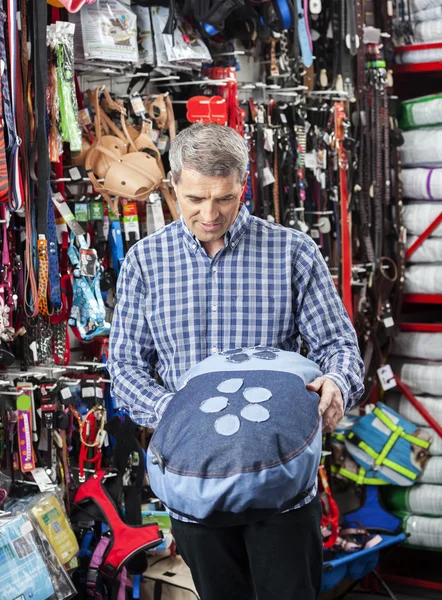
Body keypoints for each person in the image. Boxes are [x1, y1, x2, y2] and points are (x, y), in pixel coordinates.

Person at [107, 122, 365, 600]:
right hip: (192, 484)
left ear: (243, 185)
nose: (209, 213)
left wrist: (336, 383)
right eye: (195, 199)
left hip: (280, 483)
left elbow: (339, 347)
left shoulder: (292, 252)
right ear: (173, 186)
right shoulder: (146, 261)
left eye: (224, 198)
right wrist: (178, 416)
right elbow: (124, 366)